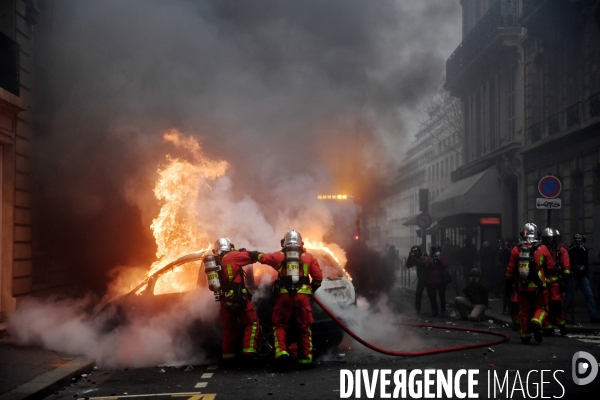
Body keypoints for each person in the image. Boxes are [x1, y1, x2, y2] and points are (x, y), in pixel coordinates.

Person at [251, 230, 323, 370]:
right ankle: (305, 360)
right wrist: (310, 290)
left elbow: (264, 257)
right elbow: (318, 278)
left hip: (284, 297)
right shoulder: (309, 257)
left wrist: (253, 254)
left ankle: (282, 355)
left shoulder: (279, 256)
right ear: (301, 243)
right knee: (304, 327)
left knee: (280, 325)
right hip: (303, 298)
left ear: (284, 242)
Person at [204, 237, 259, 363]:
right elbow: (252, 257)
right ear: (229, 246)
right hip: (239, 298)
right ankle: (249, 354)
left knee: (229, 329)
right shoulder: (233, 256)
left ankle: (228, 358)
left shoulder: (216, 261)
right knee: (252, 323)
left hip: (225, 300)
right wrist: (242, 252)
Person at [506, 222, 547, 344]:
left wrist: (508, 285)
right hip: (538, 285)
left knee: (524, 310)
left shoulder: (516, 249)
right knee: (541, 307)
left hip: (522, 286)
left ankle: (525, 335)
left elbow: (510, 270)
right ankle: (536, 322)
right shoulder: (542, 248)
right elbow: (550, 266)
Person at [541, 228, 570, 336]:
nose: (548, 241)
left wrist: (565, 281)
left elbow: (566, 267)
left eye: (549, 239)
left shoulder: (561, 251)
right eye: (546, 239)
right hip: (544, 283)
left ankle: (562, 326)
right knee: (545, 306)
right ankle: (548, 328)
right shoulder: (542, 249)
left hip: (556, 284)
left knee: (557, 305)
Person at [567, 233, 600, 323]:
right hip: (574, 276)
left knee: (589, 295)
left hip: (582, 277)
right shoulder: (571, 250)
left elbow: (586, 264)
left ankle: (593, 316)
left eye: (580, 241)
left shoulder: (584, 250)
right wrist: (577, 267)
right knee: (569, 297)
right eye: (577, 241)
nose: (579, 243)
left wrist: (585, 274)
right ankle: (562, 315)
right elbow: (568, 264)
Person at [425, 245, 449, 317]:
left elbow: (445, 265)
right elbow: (426, 267)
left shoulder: (442, 258)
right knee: (432, 296)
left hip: (441, 280)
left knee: (442, 296)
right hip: (432, 280)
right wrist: (431, 263)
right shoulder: (430, 258)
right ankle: (434, 310)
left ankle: (443, 310)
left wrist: (439, 259)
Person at [406, 245, 428, 315]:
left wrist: (414, 258)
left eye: (415, 252)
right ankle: (417, 309)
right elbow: (408, 265)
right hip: (421, 278)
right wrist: (410, 257)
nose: (415, 253)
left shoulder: (424, 255)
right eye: (413, 252)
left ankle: (435, 310)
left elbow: (423, 263)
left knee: (431, 294)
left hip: (428, 277)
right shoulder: (415, 257)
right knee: (418, 294)